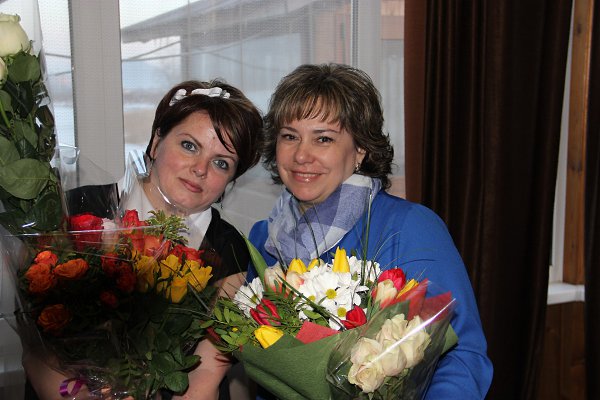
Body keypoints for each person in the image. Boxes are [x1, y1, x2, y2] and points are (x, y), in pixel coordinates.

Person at [245, 63, 493, 399]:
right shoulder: (263, 239)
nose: (301, 154)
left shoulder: (409, 227)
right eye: (290, 136)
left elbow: (462, 354)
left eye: (323, 138)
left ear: (360, 150)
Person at [22, 79, 263, 400]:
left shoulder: (230, 247)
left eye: (221, 163)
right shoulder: (77, 210)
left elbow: (207, 372)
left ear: (231, 180)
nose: (200, 169)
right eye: (189, 146)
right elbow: (37, 350)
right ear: (156, 142)